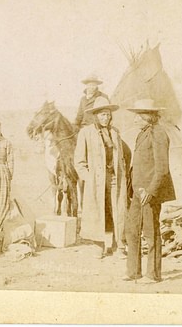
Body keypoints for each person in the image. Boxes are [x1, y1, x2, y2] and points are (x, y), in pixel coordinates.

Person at [124, 99, 176, 283]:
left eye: (139, 115)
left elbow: (162, 168)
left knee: (151, 232)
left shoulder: (159, 134)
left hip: (149, 192)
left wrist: (151, 191)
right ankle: (133, 272)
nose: (136, 119)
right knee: (131, 231)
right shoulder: (142, 134)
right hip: (137, 192)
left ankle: (153, 275)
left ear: (149, 116)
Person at [73, 97, 131, 258]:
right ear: (96, 116)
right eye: (102, 115)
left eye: (107, 115)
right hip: (96, 181)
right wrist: (88, 178)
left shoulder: (115, 132)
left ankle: (119, 245)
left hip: (114, 178)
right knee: (98, 211)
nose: (105, 118)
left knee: (117, 210)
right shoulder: (86, 133)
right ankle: (99, 245)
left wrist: (121, 172)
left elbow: (122, 156)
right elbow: (79, 161)